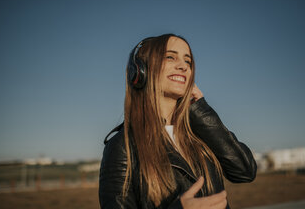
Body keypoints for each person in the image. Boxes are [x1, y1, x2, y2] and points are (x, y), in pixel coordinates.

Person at [99, 34, 257, 209]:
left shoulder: (200, 132)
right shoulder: (122, 146)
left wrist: (201, 110)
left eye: (187, 61)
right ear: (141, 71)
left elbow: (245, 171)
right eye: (170, 57)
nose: (183, 66)